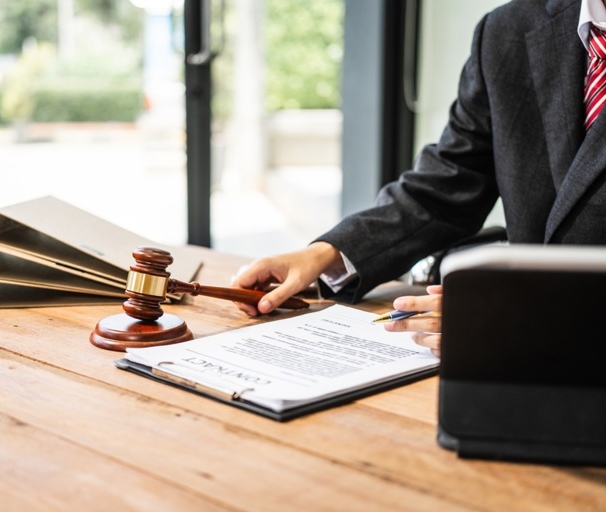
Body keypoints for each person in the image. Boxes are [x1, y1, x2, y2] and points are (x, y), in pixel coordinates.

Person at [232, 0, 606, 356]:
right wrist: (327, 254)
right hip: (510, 383)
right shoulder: (506, 31)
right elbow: (448, 182)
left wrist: (524, 315)